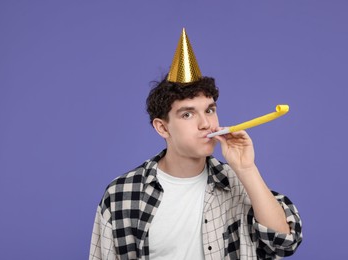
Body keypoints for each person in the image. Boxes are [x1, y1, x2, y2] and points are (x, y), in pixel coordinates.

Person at [89, 28, 302, 260]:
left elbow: (284, 243)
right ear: (162, 127)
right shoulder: (122, 194)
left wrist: (247, 169)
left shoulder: (238, 183)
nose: (206, 124)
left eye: (209, 110)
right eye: (188, 115)